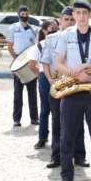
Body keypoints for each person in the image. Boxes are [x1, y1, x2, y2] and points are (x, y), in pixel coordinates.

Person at [54, 0, 91, 181]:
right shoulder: (65, 35)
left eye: (85, 12)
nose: (81, 16)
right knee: (67, 136)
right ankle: (66, 177)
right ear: (74, 15)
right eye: (78, 13)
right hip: (72, 90)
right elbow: (58, 63)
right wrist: (73, 73)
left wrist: (86, 66)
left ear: (90, 15)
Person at [41, 7, 89, 169]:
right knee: (56, 122)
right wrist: (50, 80)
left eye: (71, 19)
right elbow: (45, 62)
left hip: (75, 84)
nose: (69, 22)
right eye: (66, 19)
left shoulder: (80, 36)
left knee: (78, 122)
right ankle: (56, 156)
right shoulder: (51, 38)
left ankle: (79, 155)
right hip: (58, 85)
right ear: (59, 20)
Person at [7, 5, 38, 128]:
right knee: (18, 94)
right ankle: (16, 119)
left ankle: (34, 118)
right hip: (19, 64)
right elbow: (9, 46)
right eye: (22, 14)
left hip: (30, 63)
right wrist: (16, 60)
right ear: (18, 14)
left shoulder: (33, 29)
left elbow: (35, 46)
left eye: (26, 14)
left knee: (32, 93)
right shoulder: (13, 28)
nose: (24, 16)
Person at [31, 20, 58, 149]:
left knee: (58, 110)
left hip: (58, 77)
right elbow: (32, 64)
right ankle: (42, 137)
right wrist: (42, 74)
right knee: (44, 109)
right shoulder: (39, 46)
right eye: (49, 29)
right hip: (44, 77)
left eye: (54, 29)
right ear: (43, 31)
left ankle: (57, 138)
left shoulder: (60, 43)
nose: (52, 31)